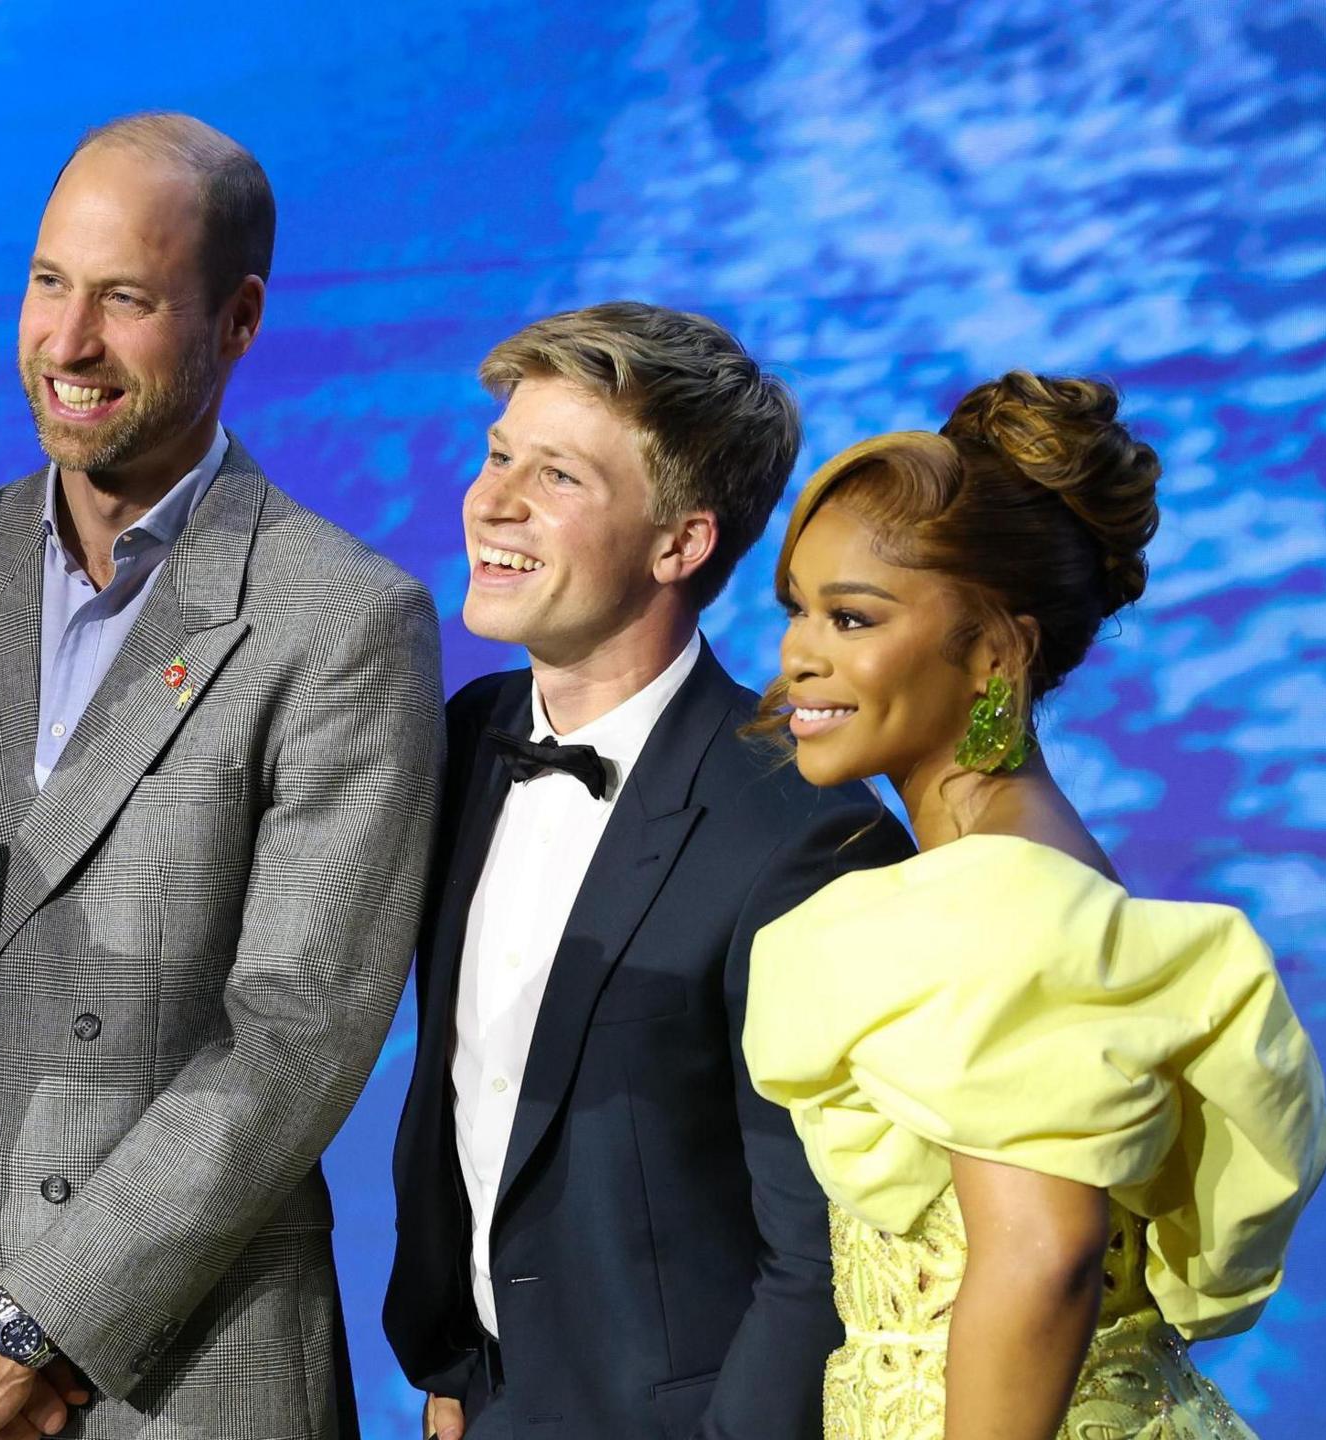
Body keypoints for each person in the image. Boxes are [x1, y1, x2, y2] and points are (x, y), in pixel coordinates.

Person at [0, 112, 443, 1440]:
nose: (69, 343)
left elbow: (294, 1036)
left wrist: (36, 1333)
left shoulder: (343, 618)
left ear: (239, 319)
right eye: (48, 284)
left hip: (188, 1375)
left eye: (127, 300)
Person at [742, 371, 1326, 1439]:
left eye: (851, 615)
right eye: (797, 608)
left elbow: (1041, 1258)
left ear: (992, 654)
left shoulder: (1002, 898)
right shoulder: (1022, 868)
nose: (800, 652)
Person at [383, 303, 911, 1439]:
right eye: (496, 455)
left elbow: (819, 1259)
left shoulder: (808, 832)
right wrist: (456, 1374)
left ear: (681, 544)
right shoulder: (464, 737)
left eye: (558, 477)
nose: (492, 500)